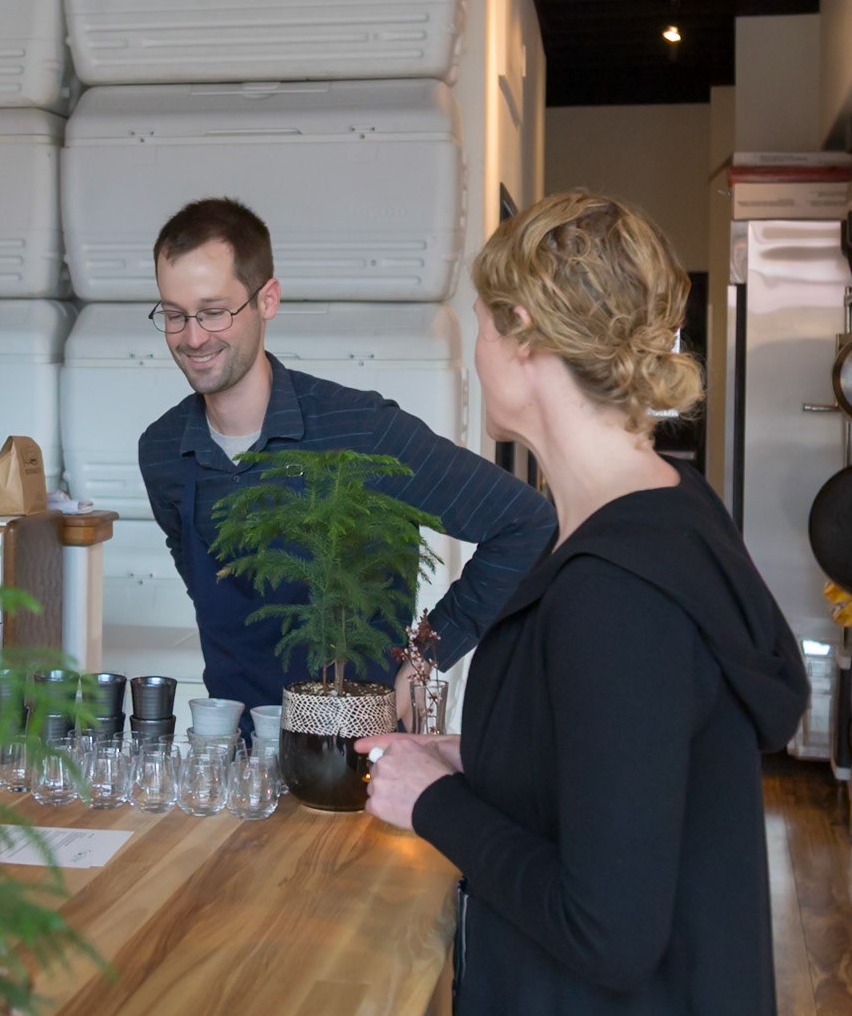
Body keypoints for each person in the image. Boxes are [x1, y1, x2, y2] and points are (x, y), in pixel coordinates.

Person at [360, 192, 809, 1014]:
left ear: (524, 332)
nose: (476, 354)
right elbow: (635, 777)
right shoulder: (671, 510)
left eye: (482, 324)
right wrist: (490, 760)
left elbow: (608, 930)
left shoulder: (616, 592)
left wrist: (432, 801)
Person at [137, 197, 557, 719]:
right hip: (235, 747)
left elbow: (525, 522)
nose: (193, 337)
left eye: (214, 312)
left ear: (267, 300)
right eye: (174, 315)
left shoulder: (363, 430)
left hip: (360, 746)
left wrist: (424, 660)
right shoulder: (162, 452)